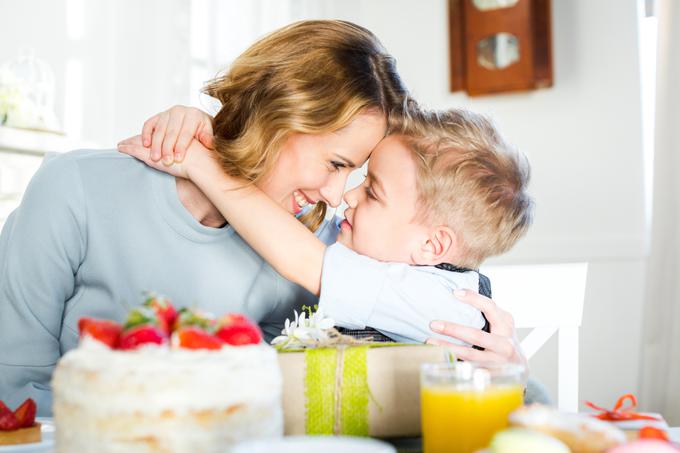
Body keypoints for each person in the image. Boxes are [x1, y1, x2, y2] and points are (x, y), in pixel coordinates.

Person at [0, 20, 408, 416]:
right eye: (336, 164)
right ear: (279, 116)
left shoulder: (309, 248)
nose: (336, 196)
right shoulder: (75, 188)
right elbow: (15, 392)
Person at [119, 105, 534, 345]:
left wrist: (201, 164)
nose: (346, 196)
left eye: (372, 192)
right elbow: (281, 213)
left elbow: (299, 256)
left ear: (432, 246)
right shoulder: (379, 252)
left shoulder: (432, 300)